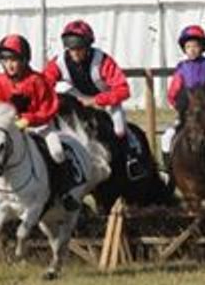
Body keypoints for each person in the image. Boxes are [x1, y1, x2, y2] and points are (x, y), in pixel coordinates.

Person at [0, 34, 80, 211]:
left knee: (58, 151)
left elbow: (48, 108)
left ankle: (65, 191)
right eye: (5, 60)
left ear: (24, 60)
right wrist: (10, 121)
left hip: (41, 127)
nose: (10, 65)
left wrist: (29, 119)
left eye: (14, 60)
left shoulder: (38, 80)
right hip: (12, 130)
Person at [43, 20, 144, 180]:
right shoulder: (59, 62)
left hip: (105, 98)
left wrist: (96, 100)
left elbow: (123, 89)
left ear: (88, 46)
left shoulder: (103, 61)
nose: (75, 53)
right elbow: (44, 85)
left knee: (119, 127)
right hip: (77, 97)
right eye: (71, 49)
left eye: (79, 49)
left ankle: (132, 157)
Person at [161, 25, 205, 169]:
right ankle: (168, 170)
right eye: (188, 46)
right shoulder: (182, 68)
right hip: (187, 112)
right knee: (167, 137)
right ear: (184, 49)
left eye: (195, 46)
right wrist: (182, 108)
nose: (192, 49)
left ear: (202, 47)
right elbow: (172, 93)